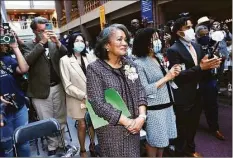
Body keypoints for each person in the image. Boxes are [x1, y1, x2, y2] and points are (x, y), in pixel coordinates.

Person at [86, 24, 147, 157]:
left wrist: (142, 117)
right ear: (106, 45)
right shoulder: (95, 69)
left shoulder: (130, 64)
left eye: (125, 40)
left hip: (135, 127)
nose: (124, 43)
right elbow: (97, 104)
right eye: (119, 39)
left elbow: (140, 90)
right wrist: (128, 122)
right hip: (112, 132)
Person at [167, 17, 221, 157]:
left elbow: (203, 65)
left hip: (198, 92)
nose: (191, 30)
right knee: (182, 126)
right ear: (179, 33)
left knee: (194, 124)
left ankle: (190, 149)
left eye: (191, 26)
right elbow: (179, 75)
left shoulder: (196, 46)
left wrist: (212, 64)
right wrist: (201, 67)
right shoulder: (174, 50)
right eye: (188, 28)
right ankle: (179, 151)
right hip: (183, 94)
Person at [21, 16, 68, 156]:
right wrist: (41, 43)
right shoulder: (27, 45)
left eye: (46, 29)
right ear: (35, 31)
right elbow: (27, 62)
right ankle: (52, 146)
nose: (45, 32)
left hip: (57, 86)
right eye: (41, 30)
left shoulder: (53, 43)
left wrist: (58, 43)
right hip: (40, 90)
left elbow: (66, 56)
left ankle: (62, 143)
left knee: (61, 118)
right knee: (46, 120)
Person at [133, 28, 180, 157]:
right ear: (145, 42)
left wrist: (172, 74)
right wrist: (167, 77)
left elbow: (166, 79)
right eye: (154, 39)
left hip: (167, 104)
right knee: (153, 141)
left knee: (163, 140)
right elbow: (144, 89)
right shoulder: (138, 63)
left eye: (157, 38)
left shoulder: (158, 57)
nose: (158, 41)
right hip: (154, 108)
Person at [59, 33, 96, 157]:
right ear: (71, 43)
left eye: (82, 40)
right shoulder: (64, 60)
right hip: (76, 98)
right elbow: (67, 85)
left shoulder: (89, 56)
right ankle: (82, 149)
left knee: (92, 122)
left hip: (92, 96)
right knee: (82, 124)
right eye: (76, 40)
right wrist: (83, 95)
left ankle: (92, 145)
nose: (80, 43)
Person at [0, 26, 30, 157]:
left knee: (23, 144)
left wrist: (15, 47)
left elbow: (24, 68)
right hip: (2, 113)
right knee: (7, 149)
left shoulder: (6, 59)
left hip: (19, 108)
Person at [195, 25, 225, 140]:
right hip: (198, 81)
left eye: (207, 34)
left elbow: (222, 58)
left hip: (210, 80)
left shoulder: (214, 45)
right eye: (202, 35)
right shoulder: (194, 47)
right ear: (197, 36)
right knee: (196, 106)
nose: (205, 37)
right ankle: (193, 128)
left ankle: (215, 128)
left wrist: (219, 59)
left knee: (212, 106)